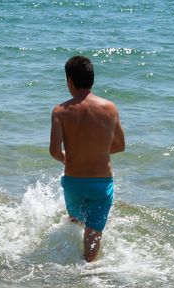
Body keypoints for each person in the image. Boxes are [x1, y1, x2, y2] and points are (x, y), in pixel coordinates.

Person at [49, 55, 125, 262]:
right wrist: (97, 152)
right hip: (101, 183)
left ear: (69, 81)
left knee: (75, 219)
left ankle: (67, 260)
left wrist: (68, 158)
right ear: (92, 79)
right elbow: (120, 145)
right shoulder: (110, 108)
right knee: (94, 231)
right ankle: (88, 269)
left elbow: (55, 151)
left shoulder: (59, 112)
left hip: (73, 180)